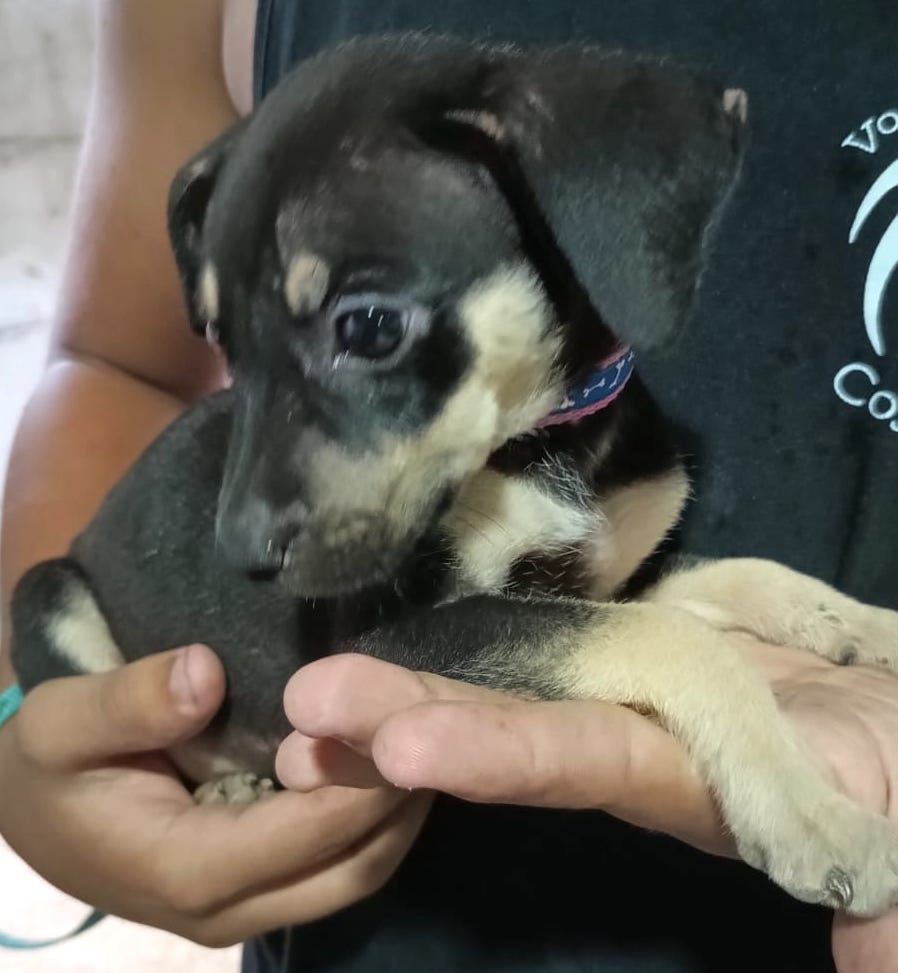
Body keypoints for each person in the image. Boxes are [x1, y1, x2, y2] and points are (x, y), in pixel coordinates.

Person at [1, 0, 896, 970]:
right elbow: (113, 362)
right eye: (240, 342)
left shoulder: (612, 437)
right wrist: (16, 745)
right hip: (356, 919)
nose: (249, 535)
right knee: (52, 601)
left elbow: (612, 602)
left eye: (369, 332)